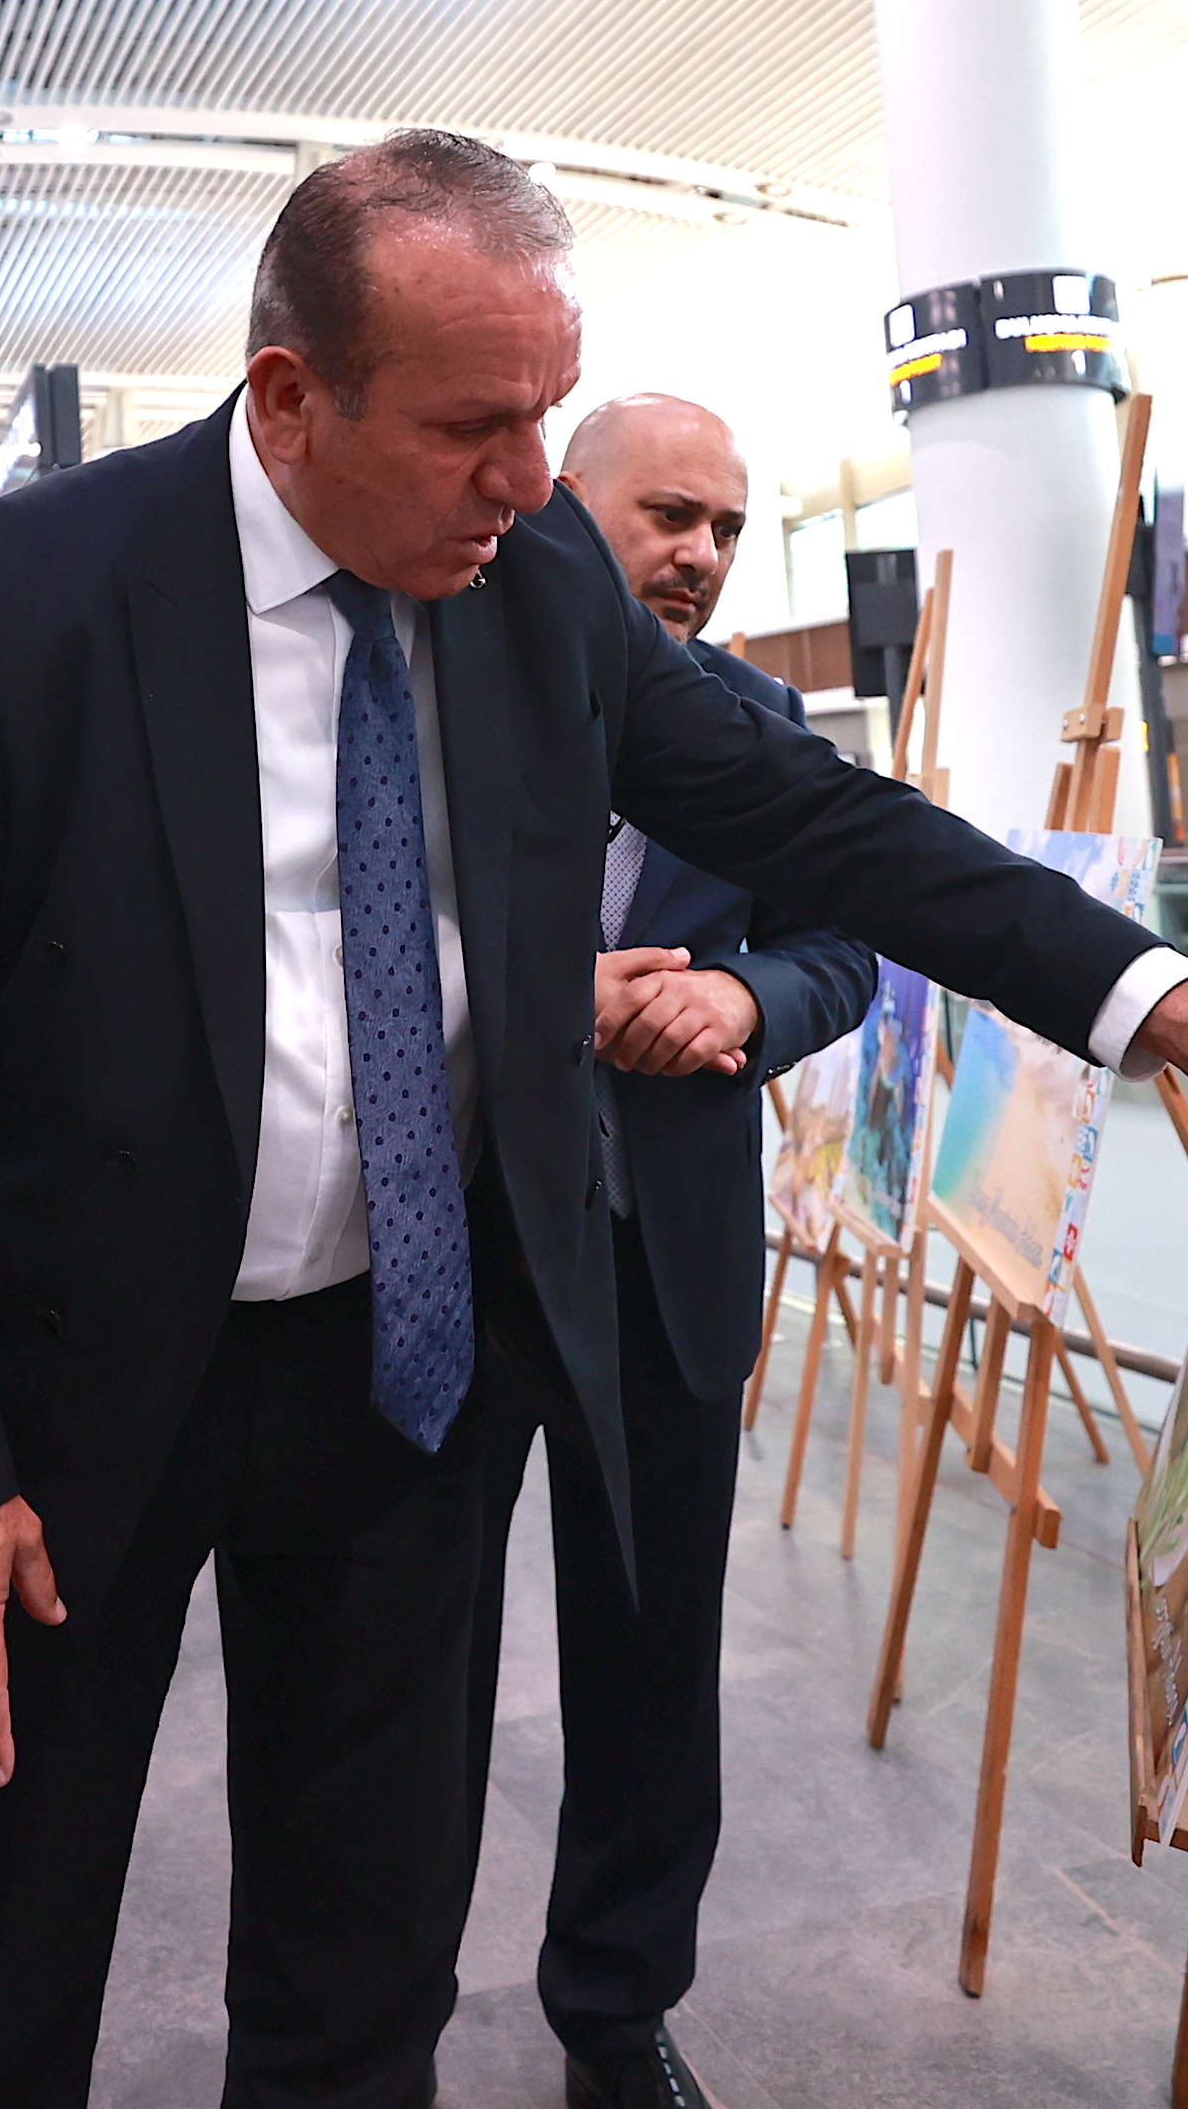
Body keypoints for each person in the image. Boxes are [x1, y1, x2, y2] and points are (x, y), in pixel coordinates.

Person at [0, 131, 1188, 2108]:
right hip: (71, 1391)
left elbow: (828, 828)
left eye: (549, 415)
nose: (530, 478)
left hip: (399, 1377)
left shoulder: (533, 581)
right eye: (474, 426)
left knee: (363, 1968)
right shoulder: (29, 596)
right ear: (288, 399)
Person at [478, 391, 872, 2109]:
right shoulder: (451, 690)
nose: (701, 555)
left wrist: (746, 999)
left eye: (726, 528)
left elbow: (844, 944)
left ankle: (615, 2014)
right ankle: (366, 1997)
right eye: (668, 516)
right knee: (405, 1644)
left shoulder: (763, 727)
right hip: (457, 1244)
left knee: (651, 1661)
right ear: (566, 508)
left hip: (669, 1252)